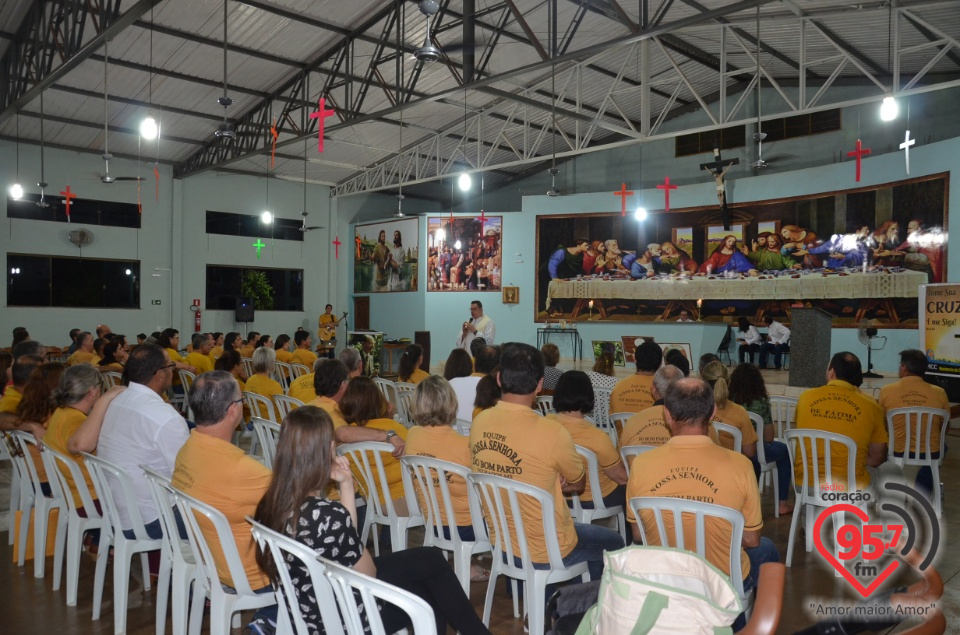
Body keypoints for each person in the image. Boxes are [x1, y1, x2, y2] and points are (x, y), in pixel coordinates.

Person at [253, 406, 491, 635]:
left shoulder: (269, 504)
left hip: (307, 608)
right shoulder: (326, 516)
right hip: (346, 619)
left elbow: (344, 546)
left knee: (429, 563)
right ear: (325, 450)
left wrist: (346, 485)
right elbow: (367, 572)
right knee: (428, 588)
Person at [626, 377, 778, 631]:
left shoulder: (640, 465)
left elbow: (638, 533)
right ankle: (745, 624)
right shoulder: (740, 465)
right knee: (768, 549)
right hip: (722, 581)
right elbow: (751, 540)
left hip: (666, 578)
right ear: (714, 412)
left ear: (667, 414)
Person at [470, 342, 624, 582]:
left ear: (499, 379)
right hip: (549, 547)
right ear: (540, 385)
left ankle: (527, 591)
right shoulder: (551, 432)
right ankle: (579, 605)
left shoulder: (479, 422)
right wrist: (553, 481)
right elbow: (577, 482)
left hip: (503, 542)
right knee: (615, 542)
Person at [171, 371, 277, 634]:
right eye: (242, 401)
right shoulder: (243, 470)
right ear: (233, 410)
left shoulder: (187, 450)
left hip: (210, 561)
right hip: (251, 575)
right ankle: (270, 620)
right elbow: (297, 504)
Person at [95, 344, 190, 542]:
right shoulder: (165, 417)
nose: (173, 370)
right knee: (224, 514)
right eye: (171, 366)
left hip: (116, 512)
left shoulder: (116, 400)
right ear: (159, 374)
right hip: (152, 519)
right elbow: (187, 478)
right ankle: (184, 570)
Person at [405, 375, 490, 578]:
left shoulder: (413, 436)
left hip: (433, 522)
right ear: (451, 403)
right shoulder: (464, 446)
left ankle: (466, 566)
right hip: (469, 529)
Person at [795, 352, 901, 493]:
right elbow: (877, 458)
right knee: (894, 470)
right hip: (847, 487)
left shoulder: (805, 398)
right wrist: (851, 459)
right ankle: (884, 514)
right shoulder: (871, 406)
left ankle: (807, 512)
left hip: (805, 484)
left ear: (831, 373)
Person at [43, 365, 122, 517]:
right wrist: (104, 401)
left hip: (73, 492)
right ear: (92, 391)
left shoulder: (61, 412)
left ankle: (94, 537)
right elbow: (81, 445)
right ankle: (100, 536)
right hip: (90, 498)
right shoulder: (75, 419)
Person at [548, 371, 628, 510]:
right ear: (589, 396)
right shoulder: (597, 437)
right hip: (595, 499)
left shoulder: (546, 424)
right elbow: (622, 478)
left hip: (557, 495)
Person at [877, 349, 950, 495]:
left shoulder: (886, 391)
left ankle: (891, 488)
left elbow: (881, 424)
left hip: (897, 450)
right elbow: (945, 427)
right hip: (931, 452)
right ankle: (922, 491)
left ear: (904, 367)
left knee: (879, 443)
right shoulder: (939, 392)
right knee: (943, 446)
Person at [729, 363, 794, 516]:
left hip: (732, 451)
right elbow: (769, 437)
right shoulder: (761, 403)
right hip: (756, 452)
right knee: (785, 451)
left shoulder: (728, 402)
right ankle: (782, 503)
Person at [338, 376, 409, 515]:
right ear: (378, 400)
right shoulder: (395, 429)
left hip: (371, 501)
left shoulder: (348, 435)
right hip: (404, 501)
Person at [307, 359, 405, 454]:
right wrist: (388, 435)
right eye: (348, 380)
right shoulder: (333, 410)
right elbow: (342, 433)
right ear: (343, 385)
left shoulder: (311, 404)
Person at [700, 361, 758, 460]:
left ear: (702, 383)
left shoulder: (693, 407)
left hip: (701, 466)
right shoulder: (739, 412)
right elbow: (750, 451)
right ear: (728, 382)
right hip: (730, 467)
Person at [619, 365, 685, 449]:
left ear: (653, 389)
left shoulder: (631, 422)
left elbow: (621, 455)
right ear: (682, 393)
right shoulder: (689, 427)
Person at [610, 340, 663, 413]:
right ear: (660, 364)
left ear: (635, 360)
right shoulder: (663, 390)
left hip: (624, 424)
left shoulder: (618, 386)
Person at [245, 347, 284, 420]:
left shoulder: (249, 381)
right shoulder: (274, 385)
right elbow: (283, 409)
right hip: (275, 425)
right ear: (270, 362)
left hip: (258, 424)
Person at [444, 348, 479, 423]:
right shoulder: (479, 382)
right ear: (470, 365)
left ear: (449, 366)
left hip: (450, 430)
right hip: (474, 430)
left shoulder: (445, 386)